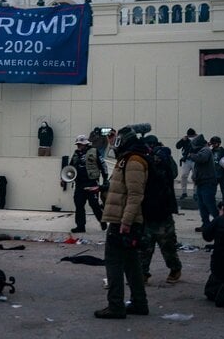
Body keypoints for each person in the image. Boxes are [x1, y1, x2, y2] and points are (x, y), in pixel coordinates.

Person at [95, 125, 148, 319]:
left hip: (123, 222)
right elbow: (122, 191)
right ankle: (139, 302)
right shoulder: (127, 159)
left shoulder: (133, 161)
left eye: (116, 138)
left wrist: (125, 222)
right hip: (124, 219)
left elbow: (135, 195)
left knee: (114, 263)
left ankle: (115, 305)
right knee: (131, 264)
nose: (113, 141)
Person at [139, 144, 182, 285]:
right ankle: (142, 273)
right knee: (145, 246)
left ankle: (175, 269)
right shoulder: (145, 162)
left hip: (162, 212)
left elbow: (173, 173)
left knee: (167, 245)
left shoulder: (164, 162)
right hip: (149, 211)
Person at [68, 135, 106, 233]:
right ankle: (80, 226)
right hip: (79, 183)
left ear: (85, 144)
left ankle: (102, 221)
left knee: (94, 204)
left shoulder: (94, 151)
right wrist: (65, 179)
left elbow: (103, 165)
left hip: (92, 182)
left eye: (80, 144)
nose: (78, 146)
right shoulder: (76, 154)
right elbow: (70, 168)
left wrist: (105, 178)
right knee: (79, 205)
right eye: (78, 144)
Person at [188, 134, 218, 231]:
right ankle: (206, 224)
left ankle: (219, 223)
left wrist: (191, 155)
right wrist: (194, 176)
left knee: (209, 204)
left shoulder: (205, 150)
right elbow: (199, 167)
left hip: (208, 182)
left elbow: (201, 159)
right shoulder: (203, 150)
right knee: (202, 205)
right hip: (202, 182)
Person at [175, 128, 197, 199]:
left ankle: (195, 193)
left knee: (195, 177)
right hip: (186, 160)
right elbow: (177, 146)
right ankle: (184, 192)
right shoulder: (185, 140)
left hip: (195, 160)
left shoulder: (198, 139)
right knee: (184, 175)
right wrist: (182, 140)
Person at [210, 136, 224, 205]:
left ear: (219, 143)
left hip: (222, 174)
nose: (213, 145)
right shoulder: (210, 151)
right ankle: (212, 204)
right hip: (213, 174)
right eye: (212, 143)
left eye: (215, 143)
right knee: (212, 191)